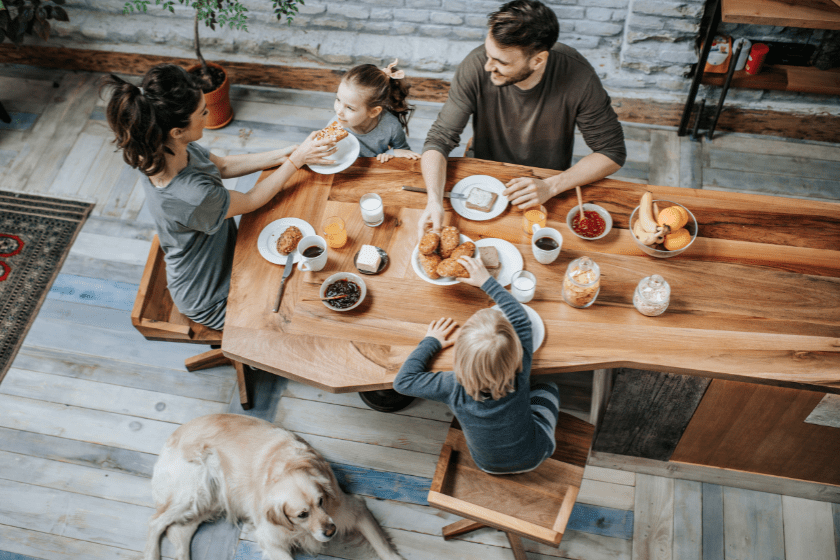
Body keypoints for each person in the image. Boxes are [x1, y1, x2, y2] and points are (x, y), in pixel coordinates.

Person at [102, 64, 337, 330]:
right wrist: (296, 161)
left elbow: (222, 166)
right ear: (176, 131)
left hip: (224, 254)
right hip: (215, 298)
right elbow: (250, 201)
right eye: (203, 112)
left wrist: (287, 153)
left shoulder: (164, 147)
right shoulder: (192, 195)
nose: (208, 114)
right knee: (299, 316)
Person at [417, 0, 627, 239]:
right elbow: (438, 140)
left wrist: (552, 185)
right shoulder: (474, 66)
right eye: (488, 54)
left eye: (502, 62)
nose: (488, 67)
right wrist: (433, 201)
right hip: (486, 176)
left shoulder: (579, 76)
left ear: (538, 61)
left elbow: (612, 152)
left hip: (546, 184)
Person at [393, 257, 560, 473]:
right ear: (516, 352)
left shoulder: (451, 386)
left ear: (460, 355)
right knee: (548, 387)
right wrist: (487, 281)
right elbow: (520, 318)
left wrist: (431, 341)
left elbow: (402, 382)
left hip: (486, 465)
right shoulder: (520, 368)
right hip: (536, 454)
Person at [333, 59, 421, 163]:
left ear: (374, 112)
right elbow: (328, 154)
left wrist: (390, 155)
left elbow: (405, 153)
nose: (339, 111)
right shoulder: (336, 125)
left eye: (350, 108)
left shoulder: (391, 126)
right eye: (338, 99)